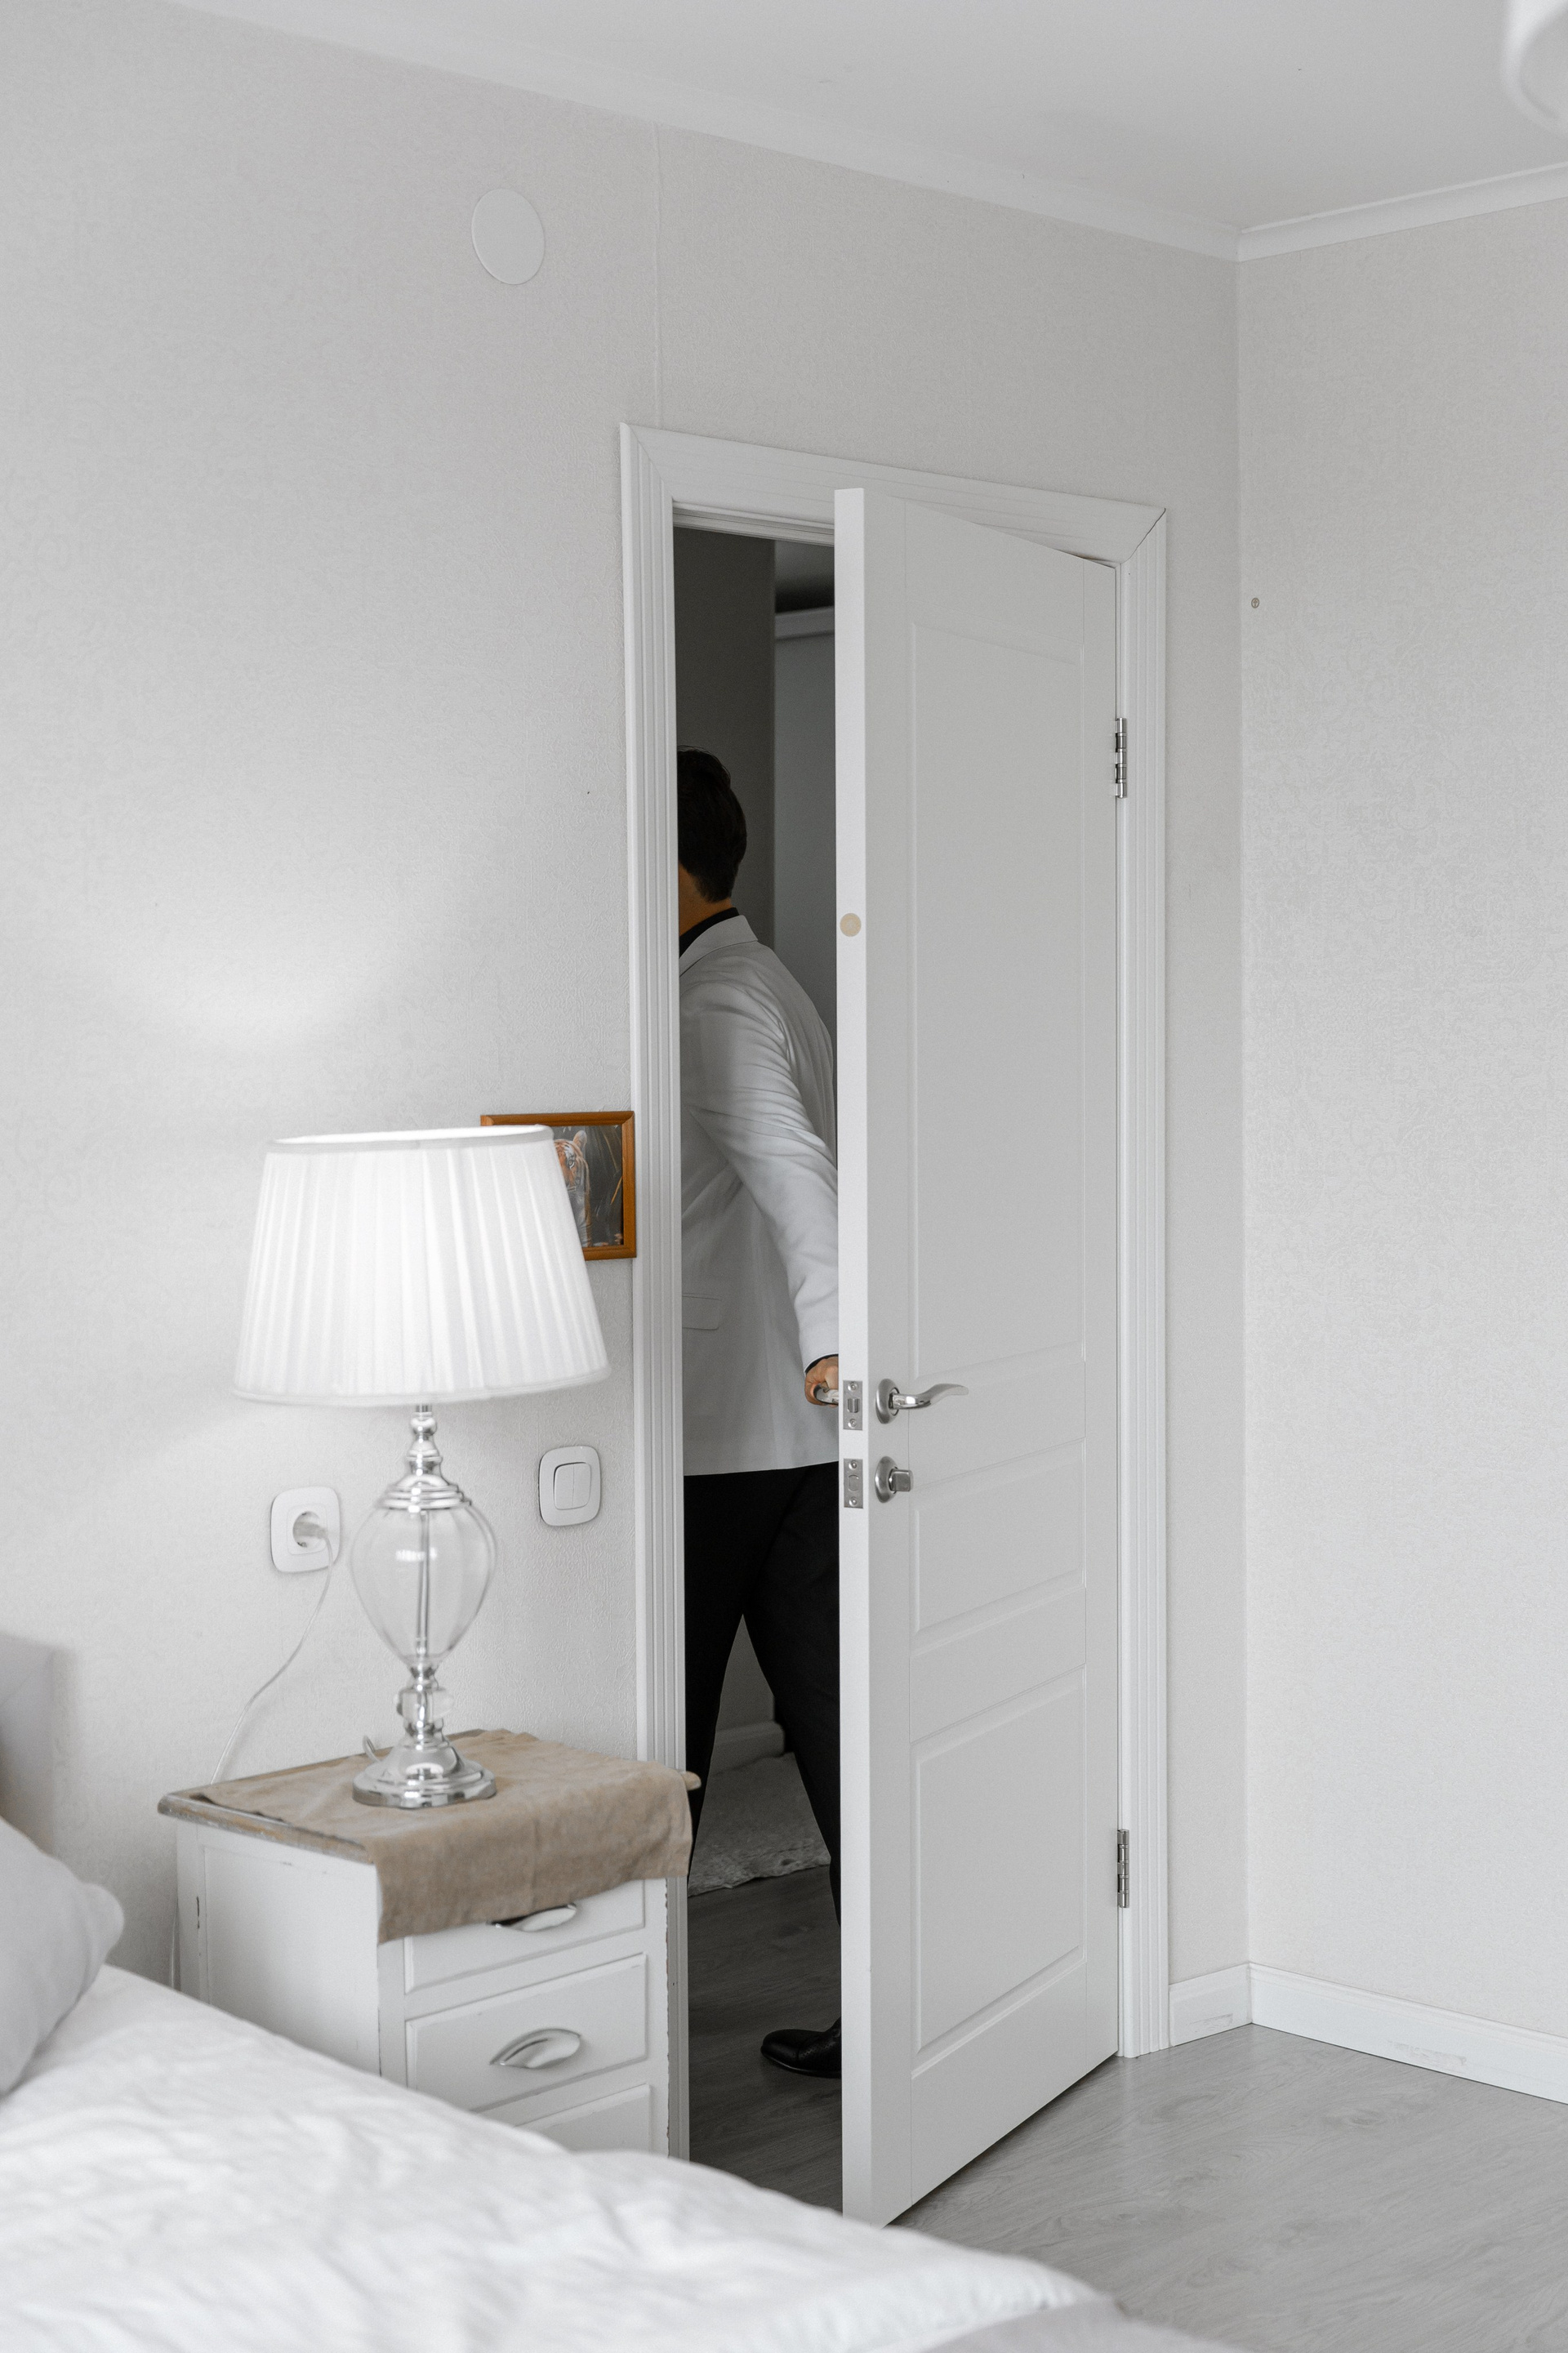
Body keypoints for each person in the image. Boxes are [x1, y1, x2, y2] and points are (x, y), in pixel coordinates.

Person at [677, 746, 842, 2081]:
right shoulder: (765, 978)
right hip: (794, 1437)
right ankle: (894, 2019)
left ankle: (638, 2030)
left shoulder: (714, 1002)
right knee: (836, 1725)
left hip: (725, 1437)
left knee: (667, 1745)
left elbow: (798, 1175)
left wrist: (842, 1341)